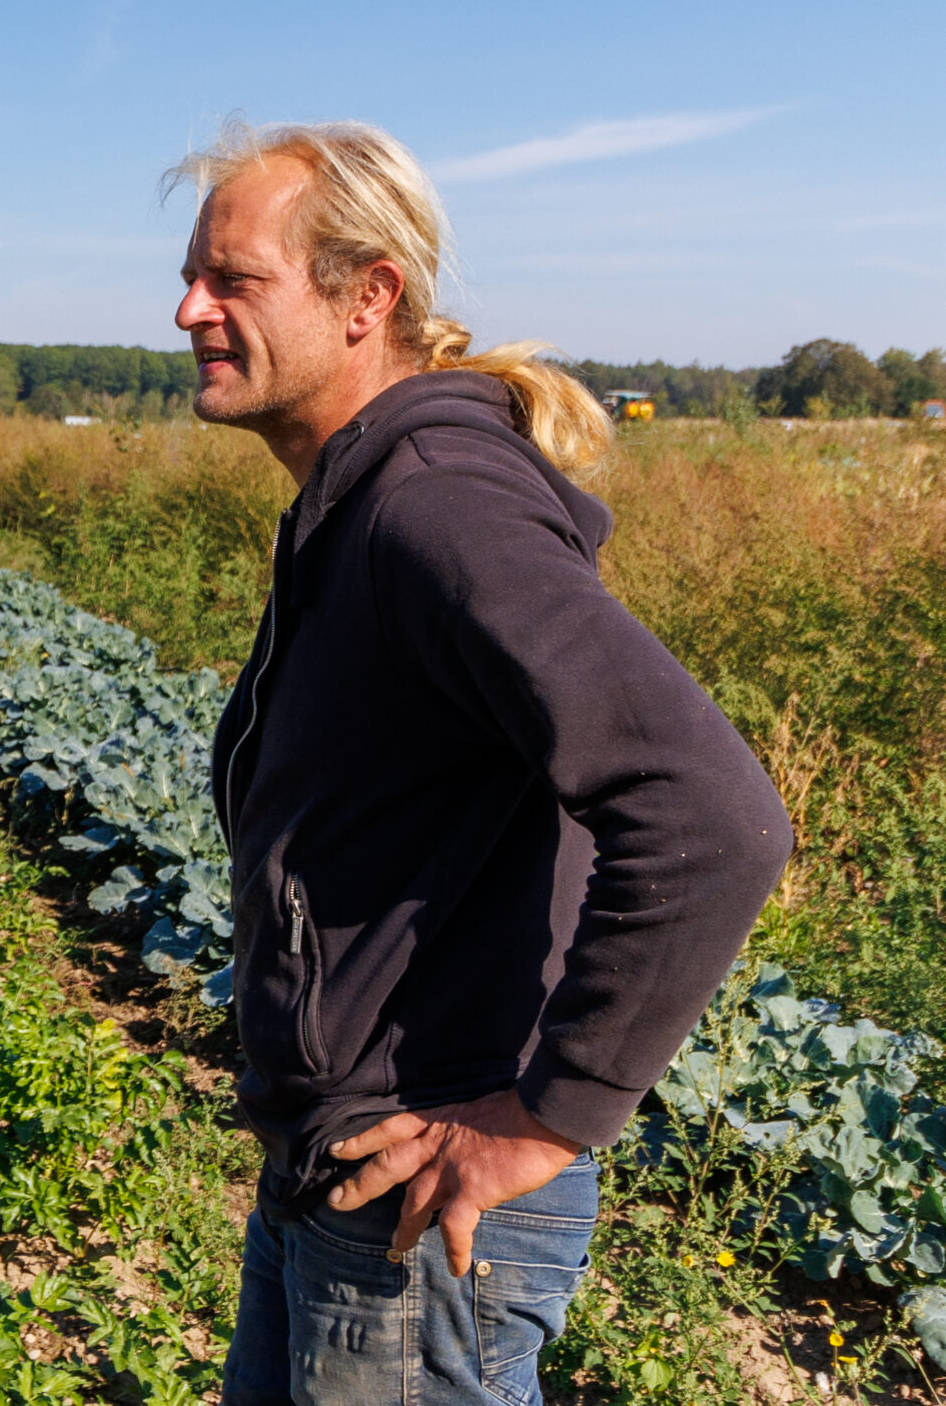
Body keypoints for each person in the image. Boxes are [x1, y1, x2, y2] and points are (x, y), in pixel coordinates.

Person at [170, 121, 791, 1406]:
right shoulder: (357, 502)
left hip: (423, 1194)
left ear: (366, 297)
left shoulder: (435, 504)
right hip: (337, 1168)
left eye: (234, 279)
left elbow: (708, 814)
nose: (189, 309)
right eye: (194, 274)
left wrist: (546, 1118)